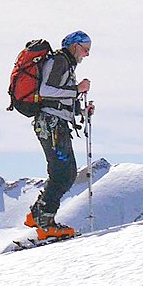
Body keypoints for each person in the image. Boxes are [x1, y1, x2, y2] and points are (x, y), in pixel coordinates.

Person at [24, 31, 92, 240]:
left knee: (63, 171)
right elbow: (46, 91)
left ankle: (38, 215)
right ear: (73, 46)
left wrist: (81, 112)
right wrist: (77, 89)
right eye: (85, 48)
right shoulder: (59, 61)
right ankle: (45, 222)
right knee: (64, 172)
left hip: (54, 123)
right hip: (52, 124)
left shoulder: (64, 64)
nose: (86, 54)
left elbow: (59, 96)